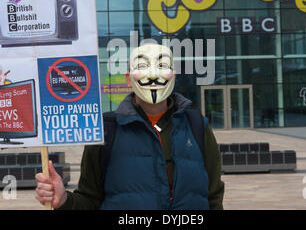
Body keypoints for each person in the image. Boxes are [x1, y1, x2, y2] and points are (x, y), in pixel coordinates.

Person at [35, 43, 225, 210]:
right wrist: (64, 201)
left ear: (173, 76)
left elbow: (213, 196)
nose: (152, 74)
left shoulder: (196, 125)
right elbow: (89, 200)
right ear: (128, 79)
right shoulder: (106, 130)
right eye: (142, 66)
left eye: (162, 65)